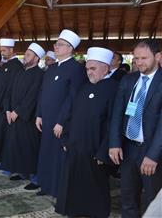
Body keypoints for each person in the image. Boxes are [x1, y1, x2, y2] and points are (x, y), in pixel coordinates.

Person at [55, 47, 118, 218]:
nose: (89, 72)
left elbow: (114, 123)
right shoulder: (83, 88)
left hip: (95, 151)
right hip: (75, 148)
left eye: (93, 69)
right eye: (87, 68)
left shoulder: (114, 89)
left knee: (96, 189)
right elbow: (72, 116)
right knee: (74, 184)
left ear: (105, 68)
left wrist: (103, 152)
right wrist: (66, 140)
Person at [109, 39, 162, 217]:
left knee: (152, 202)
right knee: (128, 199)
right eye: (136, 58)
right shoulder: (129, 79)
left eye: (144, 58)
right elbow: (117, 113)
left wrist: (153, 156)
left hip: (152, 153)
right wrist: (114, 143)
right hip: (128, 149)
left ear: (158, 57)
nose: (139, 62)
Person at [35, 29, 88, 197]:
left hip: (60, 122)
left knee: (59, 157)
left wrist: (62, 122)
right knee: (46, 154)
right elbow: (42, 93)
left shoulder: (76, 69)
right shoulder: (51, 68)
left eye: (60, 45)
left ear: (70, 48)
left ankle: (58, 189)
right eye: (56, 44)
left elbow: (73, 98)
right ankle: (46, 185)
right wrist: (39, 114)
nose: (56, 47)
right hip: (46, 119)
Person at [0, 43, 45, 190]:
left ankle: (35, 178)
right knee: (17, 147)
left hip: (28, 119)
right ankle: (22, 172)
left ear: (37, 58)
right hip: (12, 116)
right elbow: (8, 92)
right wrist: (7, 110)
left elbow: (32, 97)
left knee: (29, 148)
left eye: (28, 55)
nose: (25, 57)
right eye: (25, 54)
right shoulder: (20, 72)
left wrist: (17, 112)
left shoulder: (39, 74)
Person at [0, 38, 23, 167]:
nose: (2, 53)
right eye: (1, 50)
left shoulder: (17, 66)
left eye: (4, 50)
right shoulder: (5, 65)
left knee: (1, 135)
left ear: (12, 50)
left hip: (3, 108)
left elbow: (9, 88)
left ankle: (2, 160)